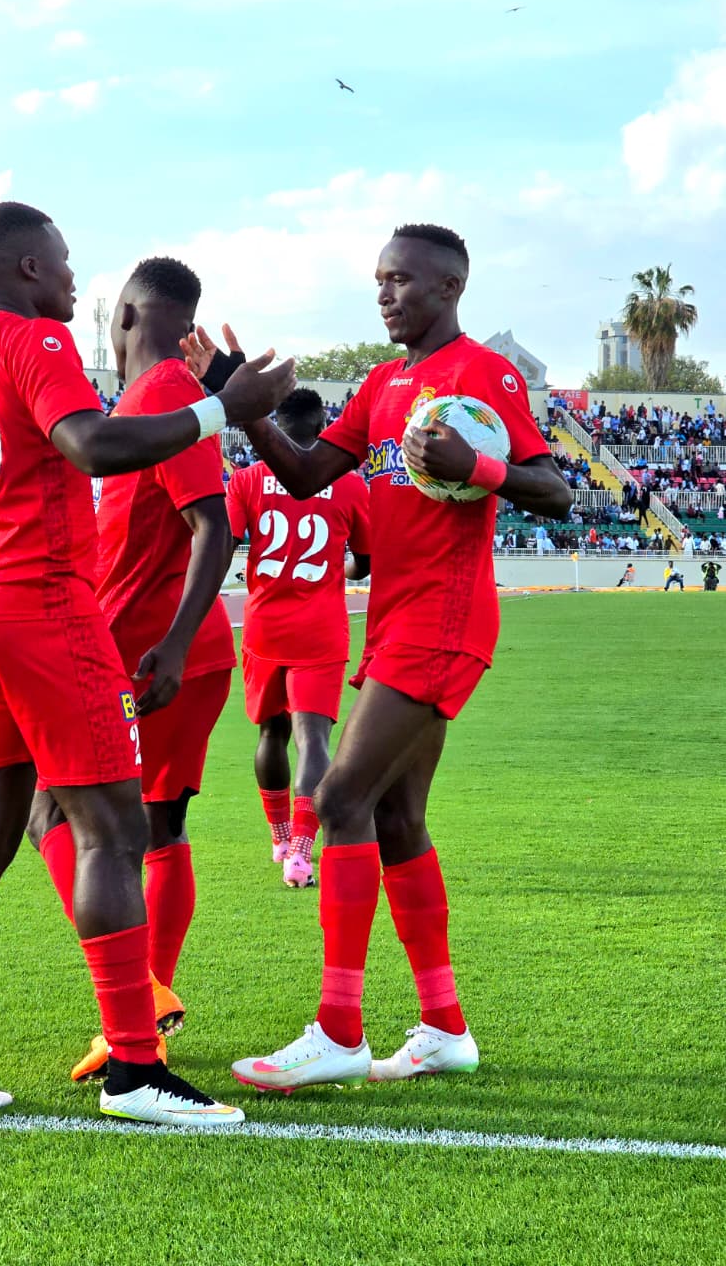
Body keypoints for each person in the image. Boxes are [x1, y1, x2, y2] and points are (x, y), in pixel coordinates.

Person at [0, 200, 294, 1127]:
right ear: (21, 270)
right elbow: (91, 448)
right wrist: (226, 407)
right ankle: (137, 1069)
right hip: (43, 608)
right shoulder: (36, 345)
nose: (72, 280)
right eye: (60, 263)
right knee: (114, 833)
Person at [186, 223, 570, 1092]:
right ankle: (442, 1026)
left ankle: (339, 1027)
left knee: (336, 795)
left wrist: (480, 465)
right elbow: (304, 473)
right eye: (377, 280)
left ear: (448, 288)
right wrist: (234, 398)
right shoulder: (384, 383)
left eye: (399, 280)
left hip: (442, 619)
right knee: (394, 817)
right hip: (395, 623)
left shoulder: (482, 374)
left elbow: (552, 489)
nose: (384, 293)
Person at [25, 256, 239, 1084]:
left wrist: (175, 644)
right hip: (176, 648)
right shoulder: (162, 398)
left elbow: (210, 529)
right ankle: (141, 1009)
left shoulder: (157, 396)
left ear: (124, 318)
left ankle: (137, 1001)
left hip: (147, 653)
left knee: (51, 811)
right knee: (159, 828)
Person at [224, 387, 371, 888]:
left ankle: (280, 836)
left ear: (276, 424)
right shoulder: (350, 485)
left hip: (263, 626)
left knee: (271, 734)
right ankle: (302, 856)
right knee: (314, 740)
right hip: (321, 629)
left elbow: (224, 544)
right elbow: (364, 562)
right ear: (321, 426)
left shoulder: (246, 479)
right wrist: (336, 568)